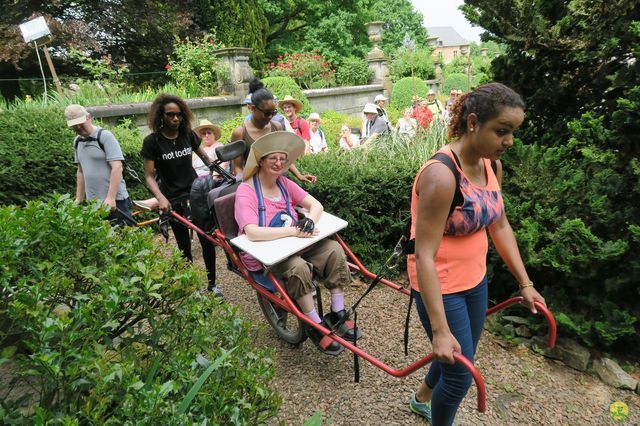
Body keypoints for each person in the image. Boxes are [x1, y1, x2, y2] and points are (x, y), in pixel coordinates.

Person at [407, 83, 547, 425]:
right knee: (459, 374)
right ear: (473, 122)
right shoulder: (442, 175)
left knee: (459, 354)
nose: (509, 141)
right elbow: (424, 254)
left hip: (475, 280)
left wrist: (525, 283)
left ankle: (422, 397)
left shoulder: (490, 166)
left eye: (512, 132)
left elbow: (499, 226)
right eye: (502, 131)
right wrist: (439, 330)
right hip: (441, 285)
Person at [234, 131, 361, 354]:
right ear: (260, 160)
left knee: (334, 250)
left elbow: (316, 205)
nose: (279, 162)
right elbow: (252, 233)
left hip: (296, 243)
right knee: (298, 268)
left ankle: (337, 312)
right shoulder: (247, 191)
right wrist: (294, 230)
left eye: (283, 158)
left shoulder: (284, 183)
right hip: (268, 252)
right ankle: (315, 324)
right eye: (273, 158)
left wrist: (309, 221)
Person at [140, 94, 224, 298]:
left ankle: (212, 285)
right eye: (170, 115)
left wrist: (221, 174)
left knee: (207, 239)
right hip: (172, 199)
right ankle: (192, 286)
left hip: (196, 194)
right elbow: (149, 176)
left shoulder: (187, 134)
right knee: (183, 245)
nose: (175, 119)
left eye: (178, 115)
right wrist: (160, 198)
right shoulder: (152, 142)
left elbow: (206, 159)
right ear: (161, 116)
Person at [231, 80, 316, 183]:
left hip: (278, 181)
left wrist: (299, 175)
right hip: (254, 185)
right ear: (253, 108)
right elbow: (237, 167)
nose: (270, 117)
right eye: (267, 113)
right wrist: (247, 185)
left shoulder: (276, 126)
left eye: (274, 112)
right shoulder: (240, 133)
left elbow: (285, 157)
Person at [65, 104, 132, 226]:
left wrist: (111, 198)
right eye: (75, 125)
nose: (79, 127)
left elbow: (117, 167)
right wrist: (79, 199)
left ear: (89, 117)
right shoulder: (77, 142)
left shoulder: (105, 136)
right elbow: (80, 171)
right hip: (94, 204)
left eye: (81, 123)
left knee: (123, 238)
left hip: (116, 201)